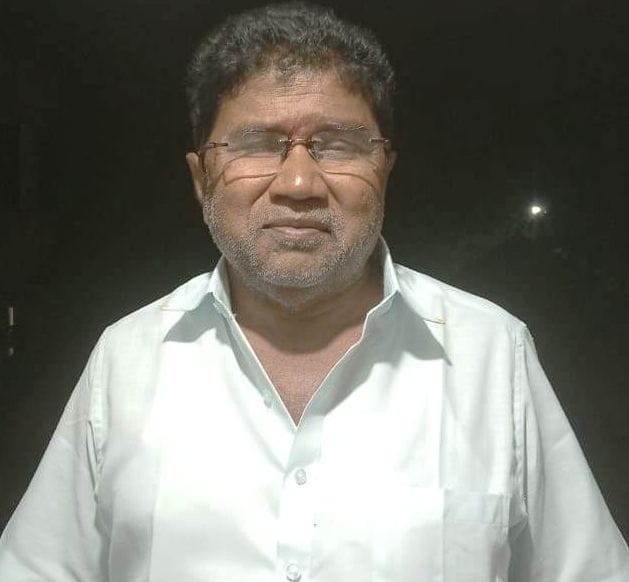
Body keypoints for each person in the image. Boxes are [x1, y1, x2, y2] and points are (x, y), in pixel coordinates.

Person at [0, 2, 627, 581]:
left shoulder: (490, 353)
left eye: (338, 144)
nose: (298, 182)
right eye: (257, 144)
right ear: (201, 177)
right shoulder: (128, 356)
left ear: (384, 168)